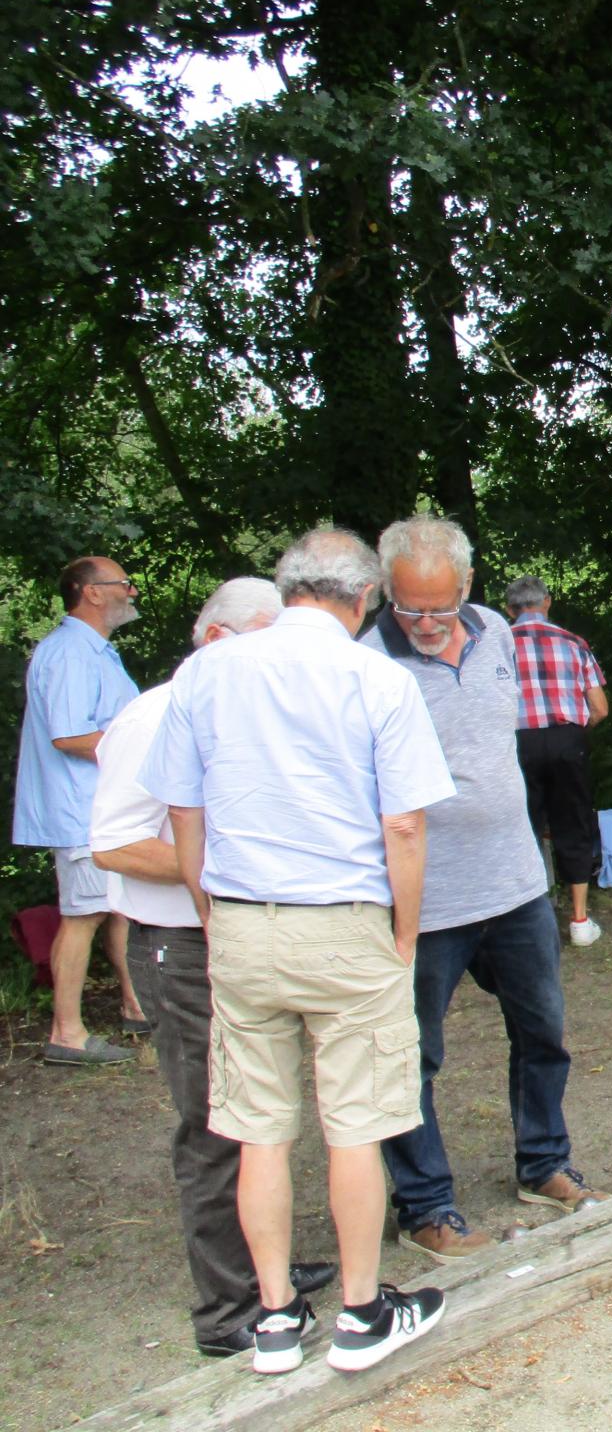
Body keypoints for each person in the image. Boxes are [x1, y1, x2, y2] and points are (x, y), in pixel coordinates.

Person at [140, 526, 453, 1375]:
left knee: (257, 1130)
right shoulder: (375, 678)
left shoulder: (205, 672)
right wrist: (405, 929)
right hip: (346, 915)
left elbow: (183, 807)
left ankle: (274, 1319)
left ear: (287, 593)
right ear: (365, 601)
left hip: (243, 920)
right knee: (356, 1123)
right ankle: (360, 1312)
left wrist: (210, 905)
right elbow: (407, 822)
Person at [90, 578, 341, 1358]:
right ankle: (229, 1310)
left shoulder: (235, 713)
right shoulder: (156, 714)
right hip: (182, 947)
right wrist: (226, 864)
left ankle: (264, 1270)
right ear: (214, 640)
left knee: (261, 1113)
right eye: (262, 644)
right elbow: (113, 843)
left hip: (241, 938)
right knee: (212, 1124)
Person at [366, 519, 607, 1267]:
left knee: (543, 1032)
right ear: (386, 595)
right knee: (412, 1055)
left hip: (514, 884)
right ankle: (425, 1206)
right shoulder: (368, 662)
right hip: (425, 899)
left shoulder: (500, 631)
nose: (429, 624)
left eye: (441, 607)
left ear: (467, 588)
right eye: (411, 609)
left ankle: (543, 1164)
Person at [13, 555, 145, 1064]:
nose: (131, 592)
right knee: (82, 916)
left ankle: (136, 1007)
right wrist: (142, 749)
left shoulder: (97, 652)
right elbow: (69, 735)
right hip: (81, 810)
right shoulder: (70, 653)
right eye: (122, 584)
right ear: (91, 592)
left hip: (103, 807)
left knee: (115, 907)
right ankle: (66, 1033)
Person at [506, 574, 609, 945]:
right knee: (574, 823)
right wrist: (576, 731)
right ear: (546, 603)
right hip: (567, 740)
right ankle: (579, 920)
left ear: (509, 609)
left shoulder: (495, 645)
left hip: (517, 743)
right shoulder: (573, 643)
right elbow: (599, 708)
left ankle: (529, 917)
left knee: (523, 826)